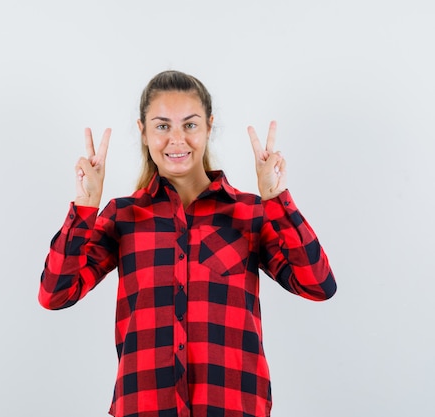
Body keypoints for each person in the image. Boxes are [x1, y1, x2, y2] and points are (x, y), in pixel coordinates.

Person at [39, 70, 336, 417]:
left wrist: (278, 200)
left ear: (209, 127)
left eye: (190, 125)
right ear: (143, 132)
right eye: (163, 126)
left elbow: (318, 285)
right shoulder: (122, 216)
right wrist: (85, 208)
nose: (177, 139)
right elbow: (55, 294)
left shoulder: (250, 213)